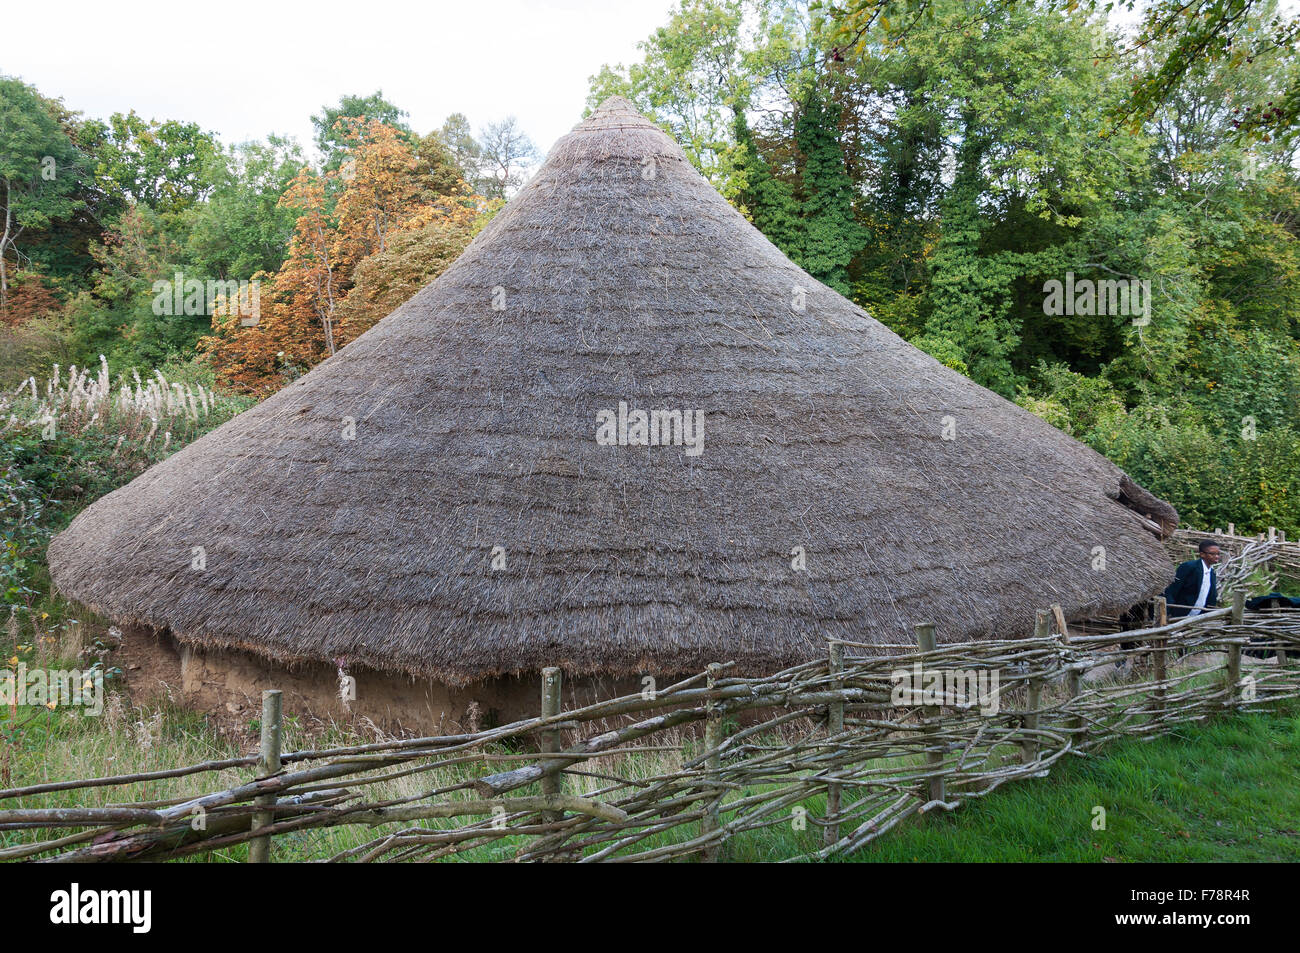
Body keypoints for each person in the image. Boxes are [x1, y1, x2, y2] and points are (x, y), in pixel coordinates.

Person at [1163, 540, 1221, 618]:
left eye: (1218, 554)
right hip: (1179, 614)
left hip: (1197, 617)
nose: (1216, 556)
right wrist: (1167, 612)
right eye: (1212, 554)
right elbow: (1172, 590)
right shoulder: (1189, 567)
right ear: (1202, 554)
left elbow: (1211, 597)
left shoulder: (1211, 573)